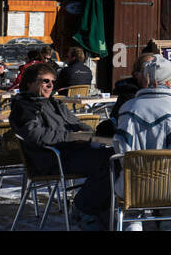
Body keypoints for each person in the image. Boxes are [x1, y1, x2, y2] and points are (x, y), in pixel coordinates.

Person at [9, 62, 114, 231]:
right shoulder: (24, 107)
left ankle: (100, 211)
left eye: (52, 82)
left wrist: (85, 132)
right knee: (109, 163)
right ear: (29, 83)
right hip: (50, 159)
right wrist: (72, 136)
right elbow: (36, 135)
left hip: (71, 152)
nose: (50, 85)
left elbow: (77, 123)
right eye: (45, 81)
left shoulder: (55, 104)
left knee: (116, 156)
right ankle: (83, 208)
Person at [113, 54, 171, 223]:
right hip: (169, 185)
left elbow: (120, 149)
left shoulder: (128, 108)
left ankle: (132, 224)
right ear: (169, 81)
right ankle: (169, 224)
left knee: (130, 201)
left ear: (149, 80)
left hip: (132, 185)